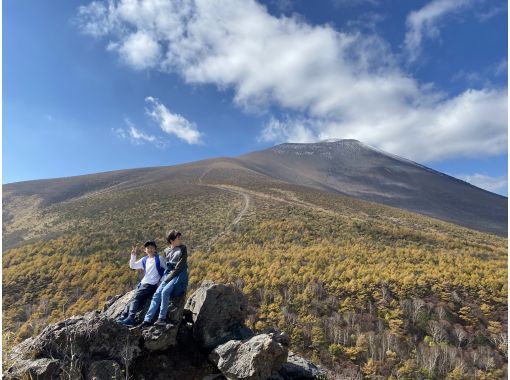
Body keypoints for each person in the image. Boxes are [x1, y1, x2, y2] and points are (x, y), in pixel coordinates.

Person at [137, 230, 189, 328]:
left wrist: (167, 279)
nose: (180, 240)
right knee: (156, 295)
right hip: (168, 274)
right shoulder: (166, 251)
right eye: (178, 238)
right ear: (171, 241)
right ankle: (147, 320)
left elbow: (179, 267)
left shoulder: (183, 248)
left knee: (165, 292)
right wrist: (164, 278)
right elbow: (166, 266)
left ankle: (162, 318)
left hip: (177, 275)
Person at [117, 240, 166, 326]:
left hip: (151, 285)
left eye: (152, 247)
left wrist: (160, 283)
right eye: (148, 248)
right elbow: (133, 266)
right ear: (145, 250)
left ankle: (130, 318)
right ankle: (124, 315)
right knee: (133, 299)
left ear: (155, 249)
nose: (150, 249)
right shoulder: (145, 259)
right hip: (143, 284)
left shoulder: (159, 259)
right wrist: (133, 256)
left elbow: (167, 271)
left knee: (135, 298)